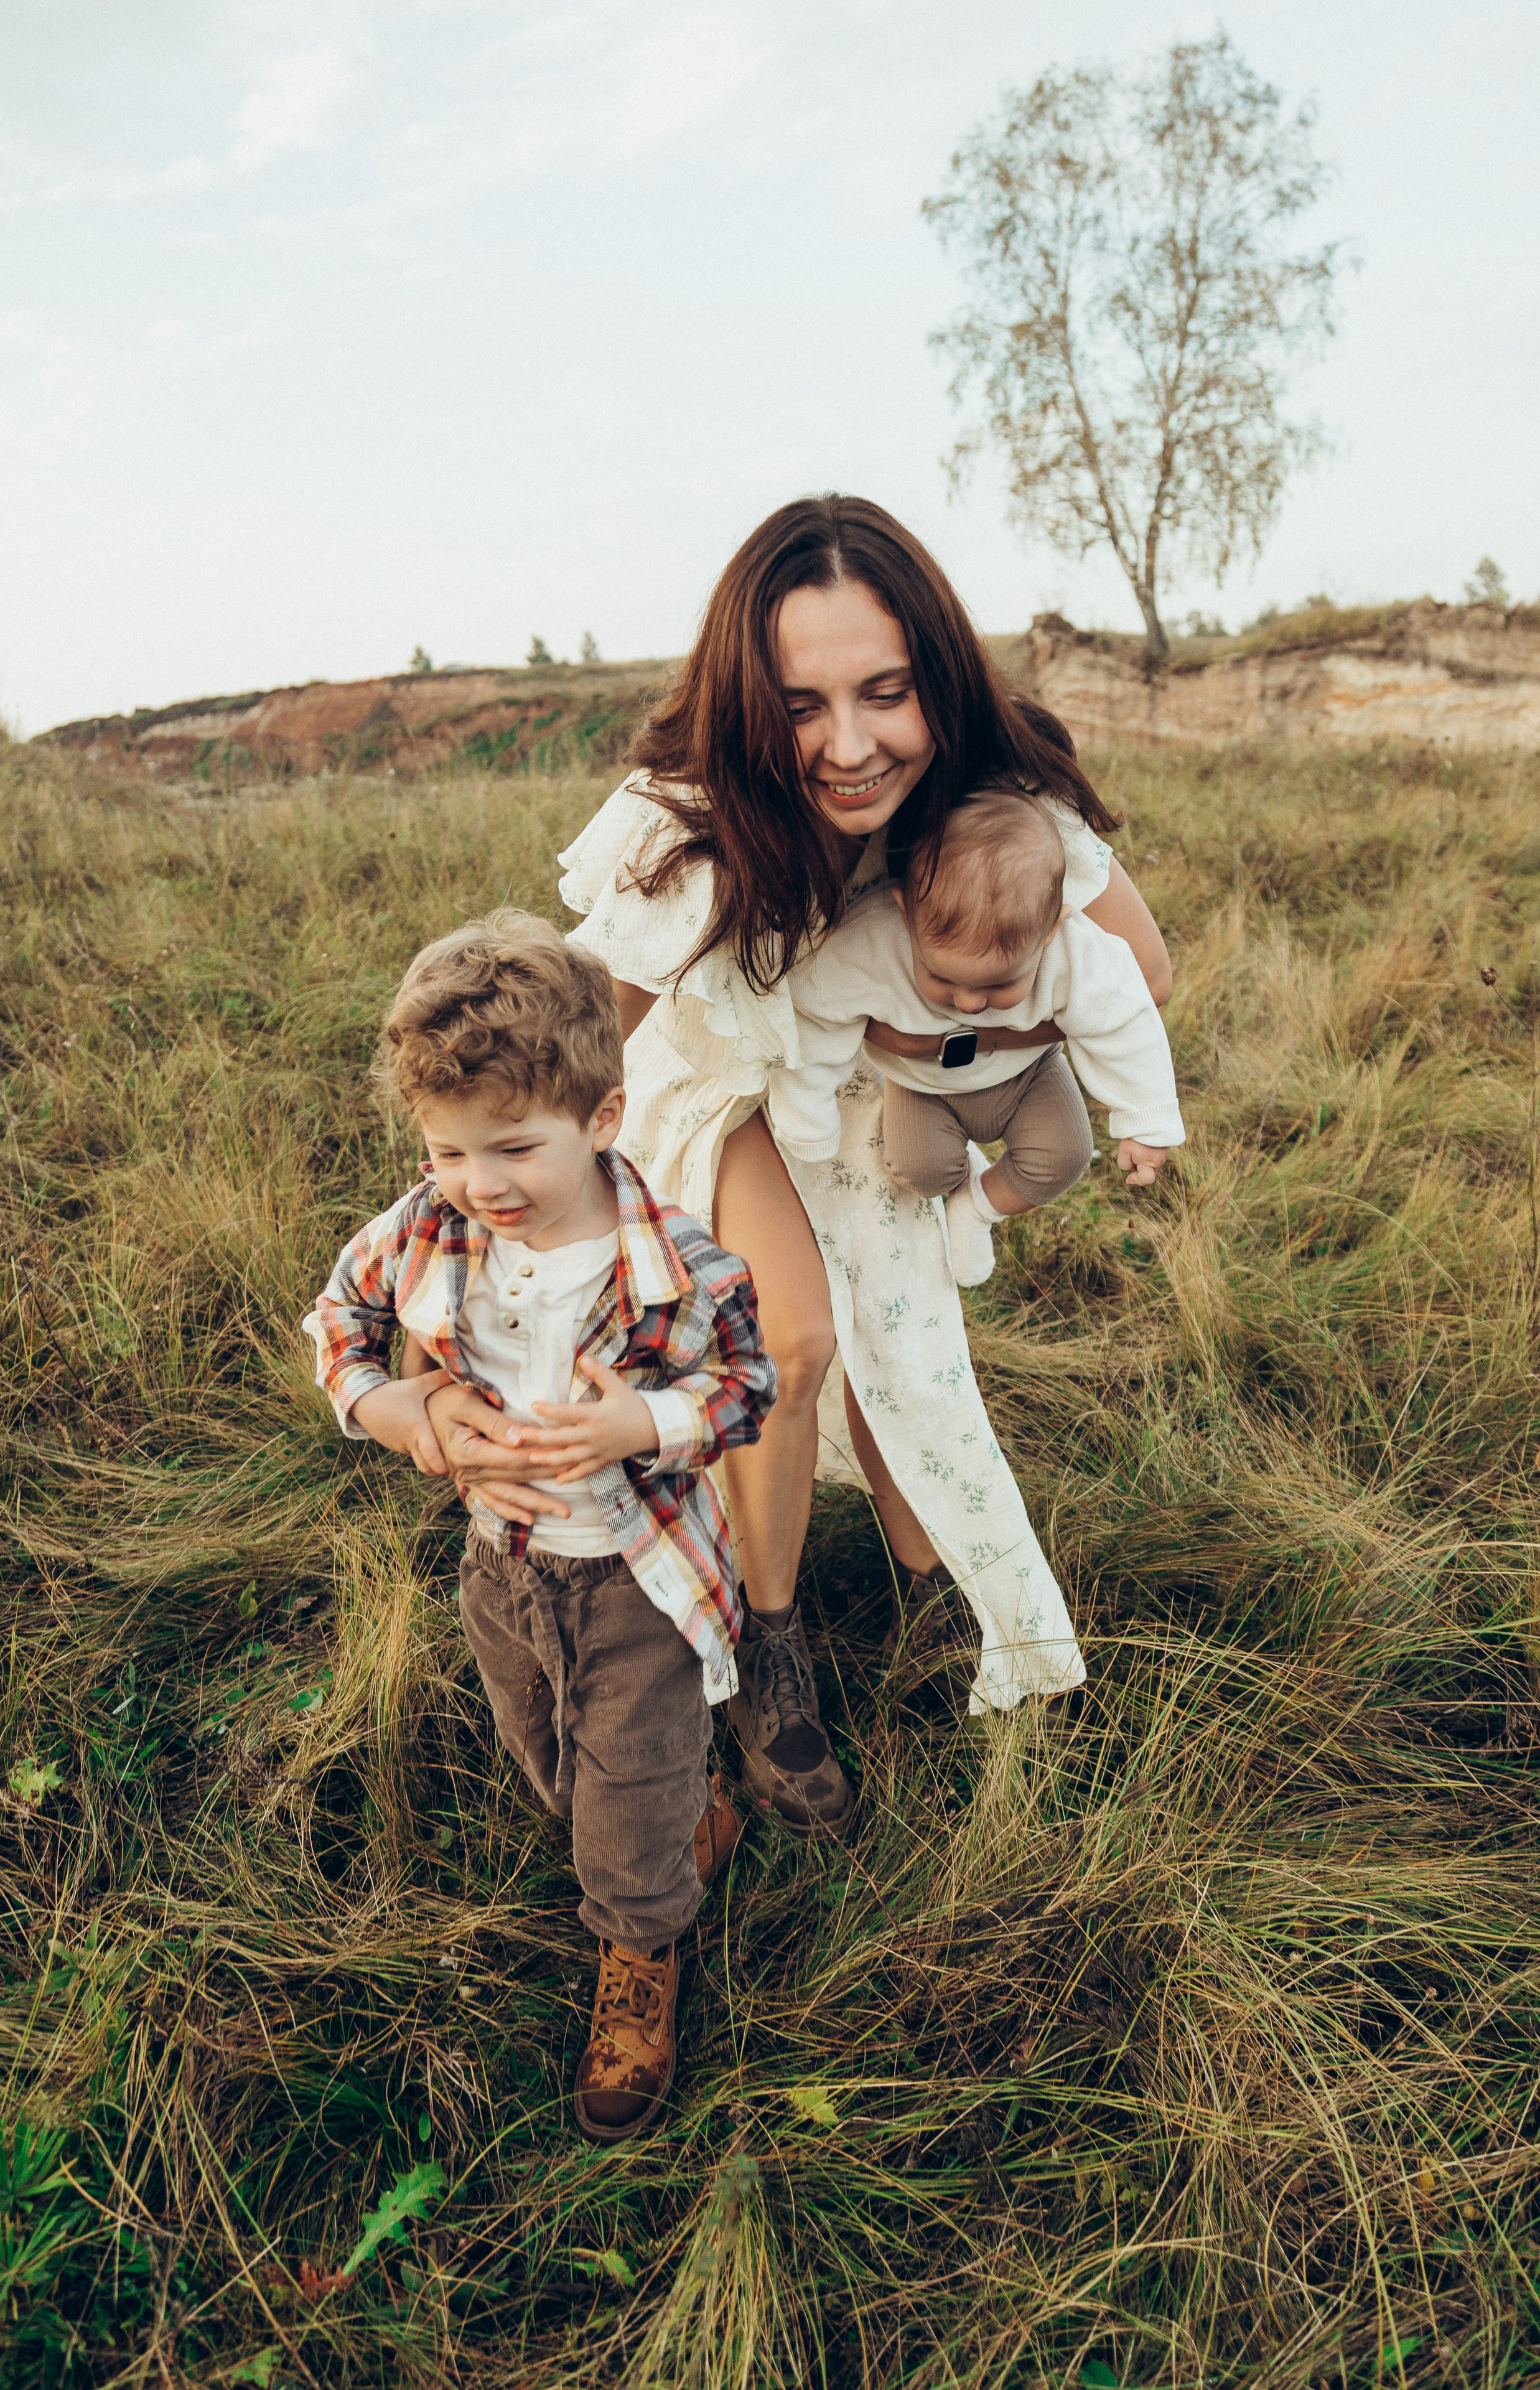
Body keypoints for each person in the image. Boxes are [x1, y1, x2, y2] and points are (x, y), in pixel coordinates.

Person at [420, 494, 1173, 1834]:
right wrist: (463, 1214)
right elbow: (588, 1030)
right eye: (800, 703)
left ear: (933, 675)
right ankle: (765, 1651)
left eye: (884, 693)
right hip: (719, 1081)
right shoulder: (697, 819)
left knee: (901, 1317)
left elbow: (1142, 973)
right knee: (791, 1325)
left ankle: (923, 1576)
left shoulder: (998, 794)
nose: (846, 746)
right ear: (749, 700)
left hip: (861, 1083)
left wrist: (944, 1036)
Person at [303, 911, 776, 2143]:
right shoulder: (427, 1225)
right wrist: (402, 1404)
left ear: (601, 1119)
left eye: (512, 1148)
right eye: (449, 1150)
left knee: (613, 1814)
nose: (480, 1184)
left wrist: (643, 1428)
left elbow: (746, 1387)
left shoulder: (679, 1264)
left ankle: (641, 1952)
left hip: (634, 1583)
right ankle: (683, 1823)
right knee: (550, 1768)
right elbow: (339, 1324)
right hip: (502, 1570)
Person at [766, 785, 1184, 1286]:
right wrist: (807, 1114)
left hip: (1027, 1073)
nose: (968, 1004)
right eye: (942, 978)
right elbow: (817, 1014)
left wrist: (1146, 1120)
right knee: (920, 1171)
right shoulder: (872, 944)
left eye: (1000, 984)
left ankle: (977, 1209)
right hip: (923, 1085)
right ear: (905, 914)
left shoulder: (1073, 952)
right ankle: (956, 1176)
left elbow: (1125, 1018)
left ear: (1051, 929)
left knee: (1065, 1156)